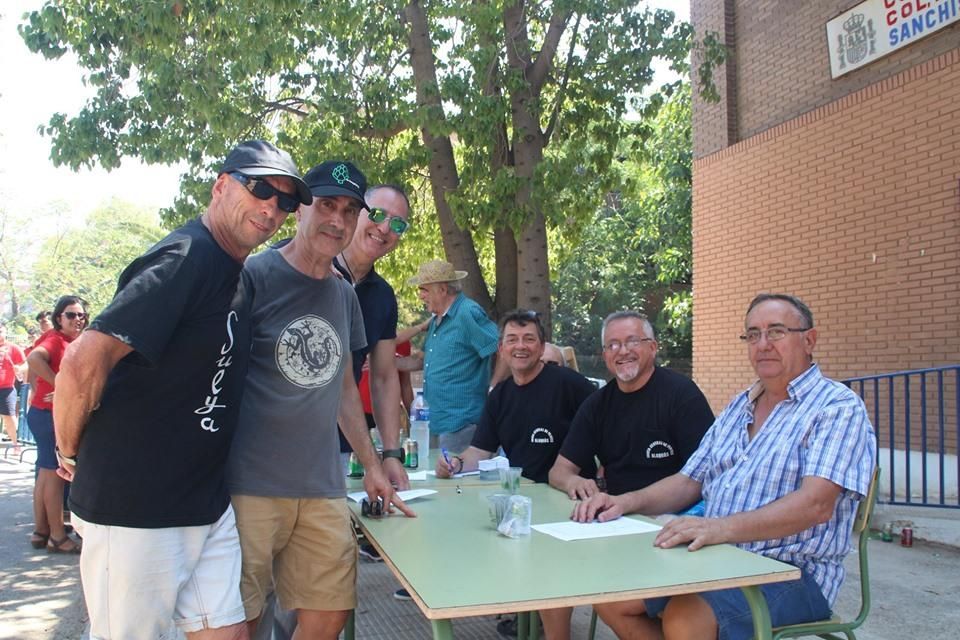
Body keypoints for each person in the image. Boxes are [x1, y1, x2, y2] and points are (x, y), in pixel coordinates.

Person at [53, 140, 312, 639]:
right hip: (136, 506)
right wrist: (70, 450)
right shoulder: (185, 257)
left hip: (204, 502)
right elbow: (83, 360)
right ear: (220, 186)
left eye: (285, 202)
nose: (272, 208)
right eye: (260, 188)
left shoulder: (238, 275)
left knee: (229, 632)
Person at [572, 294, 877, 640]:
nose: (763, 344)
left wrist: (719, 528)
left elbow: (816, 504)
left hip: (791, 571)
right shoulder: (740, 406)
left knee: (685, 618)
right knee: (609, 595)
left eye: (776, 332)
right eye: (753, 334)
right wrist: (624, 502)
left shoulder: (837, 407)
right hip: (717, 556)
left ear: (809, 340)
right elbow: (690, 481)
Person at [226, 160, 414, 640]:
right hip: (250, 483)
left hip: (322, 483)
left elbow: (345, 387)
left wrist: (374, 463)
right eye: (326, 205)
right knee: (243, 617)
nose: (337, 219)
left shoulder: (343, 295)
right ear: (299, 209)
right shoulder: (254, 277)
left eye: (349, 210)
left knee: (330, 609)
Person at [435, 309, 596, 640]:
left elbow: (608, 424)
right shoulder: (500, 397)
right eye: (512, 339)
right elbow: (480, 452)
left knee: (551, 570)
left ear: (541, 346)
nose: (520, 346)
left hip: (568, 502)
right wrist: (454, 464)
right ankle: (526, 615)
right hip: (523, 503)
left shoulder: (569, 385)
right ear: (502, 349)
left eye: (528, 339)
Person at [549, 310, 714, 499]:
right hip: (616, 515)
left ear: (653, 347)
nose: (623, 350)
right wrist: (574, 481)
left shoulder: (682, 395)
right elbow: (558, 472)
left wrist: (630, 504)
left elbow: (702, 475)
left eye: (633, 341)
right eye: (613, 345)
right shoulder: (597, 405)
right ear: (605, 356)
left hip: (674, 513)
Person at [332, 184, 414, 490]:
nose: (384, 228)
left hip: (342, 446)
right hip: (274, 447)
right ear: (355, 213)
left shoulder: (382, 297)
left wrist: (391, 453)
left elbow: (383, 377)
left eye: (397, 224)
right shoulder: (300, 266)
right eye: (377, 214)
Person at [403, 259, 505, 452]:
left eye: (424, 289)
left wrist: (494, 386)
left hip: (461, 423)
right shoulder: (437, 319)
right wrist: (385, 364)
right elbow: (425, 360)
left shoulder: (467, 312)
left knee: (456, 481)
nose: (420, 296)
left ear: (442, 290)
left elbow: (503, 346)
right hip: (434, 422)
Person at [25, 297, 87, 553]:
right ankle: (57, 536)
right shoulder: (55, 340)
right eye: (71, 315)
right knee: (53, 476)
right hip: (49, 416)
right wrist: (59, 386)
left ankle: (42, 530)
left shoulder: (63, 340)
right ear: (59, 318)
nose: (77, 319)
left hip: (42, 414)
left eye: (81, 315)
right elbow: (34, 361)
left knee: (45, 473)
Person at [0, 322, 27, 449]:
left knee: (10, 417)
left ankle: (17, 445)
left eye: (1, 331)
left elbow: (25, 364)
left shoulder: (13, 347)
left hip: (7, 388)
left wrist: (19, 368)